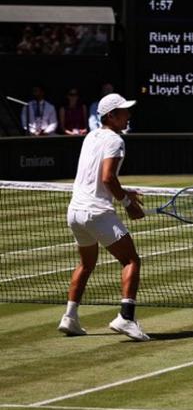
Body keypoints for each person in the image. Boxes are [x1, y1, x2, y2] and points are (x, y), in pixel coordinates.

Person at [58, 93, 149, 341]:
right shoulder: (115, 141)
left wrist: (124, 192)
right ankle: (126, 318)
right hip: (96, 213)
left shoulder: (91, 136)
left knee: (86, 264)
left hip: (75, 212)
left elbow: (96, 177)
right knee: (131, 260)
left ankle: (70, 317)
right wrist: (128, 203)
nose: (128, 115)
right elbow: (108, 177)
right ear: (111, 116)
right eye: (124, 111)